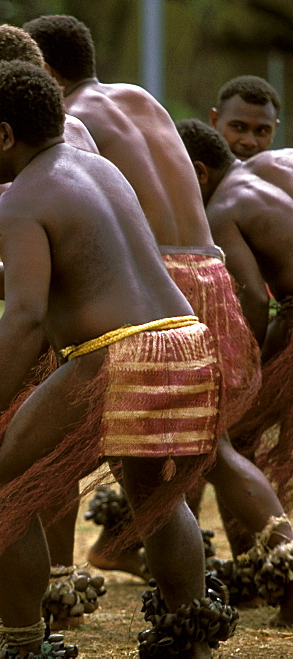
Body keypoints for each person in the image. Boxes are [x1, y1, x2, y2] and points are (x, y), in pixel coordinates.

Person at [0, 60, 236, 658]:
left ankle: (24, 645)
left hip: (116, 356)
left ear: (6, 134)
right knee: (154, 495)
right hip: (184, 340)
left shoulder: (24, 197)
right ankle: (190, 635)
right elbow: (62, 278)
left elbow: (28, 316)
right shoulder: (99, 170)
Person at [23, 13, 264, 580]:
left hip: (150, 291)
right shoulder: (138, 97)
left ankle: (58, 591)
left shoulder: (69, 121)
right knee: (212, 451)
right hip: (208, 278)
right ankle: (271, 573)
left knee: (61, 450)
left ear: (44, 74)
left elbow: (47, 212)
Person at [177, 119, 293, 625]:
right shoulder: (250, 186)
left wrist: (240, 368)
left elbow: (250, 299)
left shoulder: (223, 208)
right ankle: (259, 575)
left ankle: (276, 579)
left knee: (235, 439)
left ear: (197, 173)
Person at [209, 75, 281, 161]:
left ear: (274, 129)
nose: (249, 142)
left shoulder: (286, 171)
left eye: (262, 131)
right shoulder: (191, 170)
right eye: (238, 127)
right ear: (215, 120)